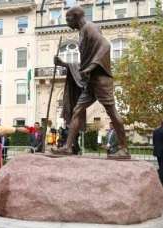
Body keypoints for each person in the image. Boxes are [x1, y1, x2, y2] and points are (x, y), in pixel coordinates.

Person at [51, 6, 129, 159]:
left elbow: (106, 46)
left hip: (100, 78)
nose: (67, 23)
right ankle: (67, 147)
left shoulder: (90, 27)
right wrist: (64, 63)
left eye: (68, 19)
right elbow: (84, 61)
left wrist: (92, 67)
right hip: (90, 81)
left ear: (76, 16)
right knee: (77, 110)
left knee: (112, 112)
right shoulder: (82, 32)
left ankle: (124, 149)